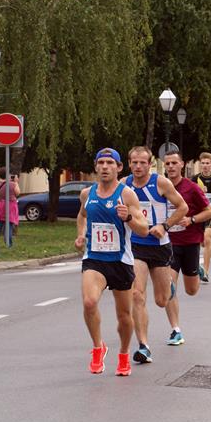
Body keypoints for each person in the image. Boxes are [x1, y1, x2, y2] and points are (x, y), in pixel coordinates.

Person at [74, 148, 148, 377]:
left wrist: (127, 217)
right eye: (101, 162)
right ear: (96, 166)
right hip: (94, 259)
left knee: (124, 316)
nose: (105, 166)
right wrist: (80, 234)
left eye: (110, 163)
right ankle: (98, 347)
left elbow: (144, 229)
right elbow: (82, 215)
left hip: (120, 261)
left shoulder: (127, 195)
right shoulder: (87, 194)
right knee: (89, 302)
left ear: (118, 168)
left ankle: (124, 353)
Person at [122, 146, 188, 364]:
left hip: (159, 245)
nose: (138, 166)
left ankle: (168, 287)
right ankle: (144, 346)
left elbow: (182, 207)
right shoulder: (124, 185)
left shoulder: (160, 183)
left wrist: (165, 225)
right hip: (136, 245)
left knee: (161, 300)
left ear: (149, 164)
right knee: (137, 295)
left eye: (142, 162)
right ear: (129, 163)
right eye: (134, 162)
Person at [163, 151, 211, 344]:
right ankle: (176, 329)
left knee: (191, 290)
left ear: (182, 164)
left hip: (190, 242)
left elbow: (209, 211)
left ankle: (197, 270)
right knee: (169, 284)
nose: (170, 167)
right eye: (167, 163)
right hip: (168, 244)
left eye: (174, 163)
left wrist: (191, 220)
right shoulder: (160, 187)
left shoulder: (191, 188)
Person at [191, 152, 211, 283]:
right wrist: (200, 192)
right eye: (203, 163)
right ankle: (209, 245)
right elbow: (191, 196)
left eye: (207, 163)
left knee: (206, 238)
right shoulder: (195, 178)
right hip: (199, 213)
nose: (205, 166)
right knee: (203, 242)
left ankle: (205, 271)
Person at [0, 167, 20, 245]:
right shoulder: (12, 184)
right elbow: (18, 193)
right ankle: (8, 244)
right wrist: (16, 182)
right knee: (8, 226)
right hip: (10, 207)